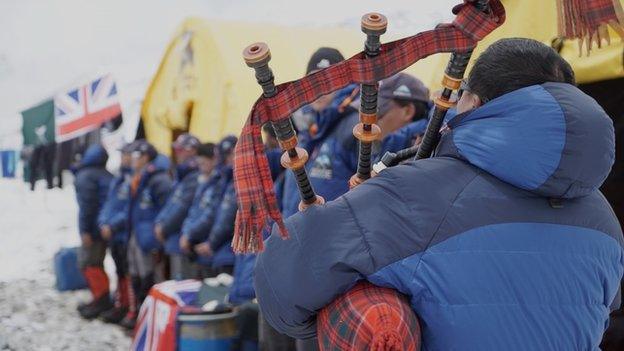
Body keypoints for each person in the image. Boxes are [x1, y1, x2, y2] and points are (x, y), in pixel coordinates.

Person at [254, 38, 624, 350]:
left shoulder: (418, 192)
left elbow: (281, 283)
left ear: (474, 103)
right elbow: (605, 309)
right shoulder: (605, 220)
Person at [122, 140, 172, 330]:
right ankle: (141, 316)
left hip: (149, 237)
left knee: (150, 277)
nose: (132, 159)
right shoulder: (138, 177)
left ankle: (152, 321)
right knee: (135, 274)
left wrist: (157, 231)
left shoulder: (159, 179)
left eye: (136, 156)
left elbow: (166, 208)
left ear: (145, 158)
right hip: (136, 234)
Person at [74, 144, 113, 319]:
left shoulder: (85, 176)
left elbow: (87, 207)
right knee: (96, 262)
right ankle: (101, 298)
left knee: (89, 263)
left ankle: (101, 299)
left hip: (95, 228)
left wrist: (85, 230)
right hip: (107, 227)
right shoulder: (107, 175)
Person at [154, 133, 201, 280]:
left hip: (181, 238)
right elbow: (171, 203)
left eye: (180, 150)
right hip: (174, 239)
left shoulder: (194, 175)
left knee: (183, 285)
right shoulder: (182, 174)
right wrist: (159, 223)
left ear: (192, 150)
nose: (176, 153)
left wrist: (164, 227)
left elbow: (183, 207)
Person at [97, 143, 134, 324]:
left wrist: (112, 225)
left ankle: (129, 306)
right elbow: (109, 204)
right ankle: (121, 303)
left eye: (126, 155)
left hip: (123, 234)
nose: (123, 158)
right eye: (122, 154)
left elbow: (128, 208)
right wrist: (103, 222)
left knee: (127, 271)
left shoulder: (134, 178)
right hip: (113, 234)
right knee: (119, 270)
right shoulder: (118, 177)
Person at [194, 136, 238, 277]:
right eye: (226, 155)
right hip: (217, 250)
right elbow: (213, 213)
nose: (230, 159)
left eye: (233, 153)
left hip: (228, 252)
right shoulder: (223, 180)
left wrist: (211, 243)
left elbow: (228, 218)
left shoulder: (236, 181)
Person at [179, 142, 220, 275]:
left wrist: (190, 234)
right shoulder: (204, 183)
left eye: (203, 163)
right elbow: (193, 211)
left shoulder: (219, 183)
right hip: (195, 245)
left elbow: (210, 215)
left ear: (214, 160)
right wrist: (186, 233)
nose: (201, 168)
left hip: (208, 247)